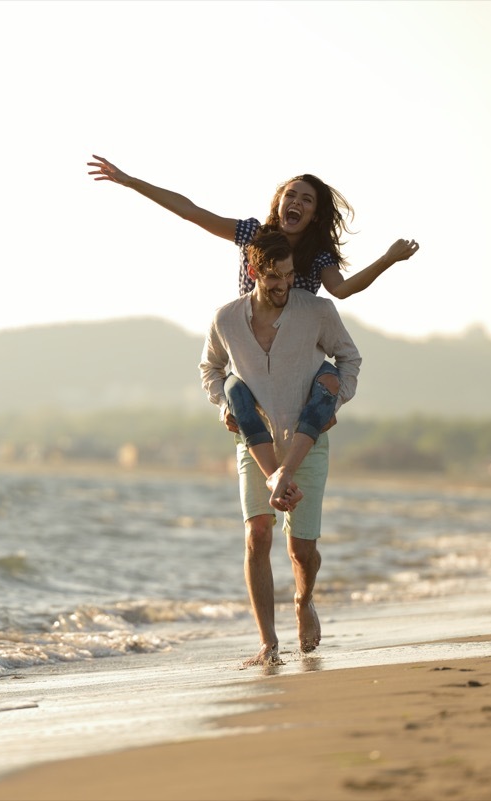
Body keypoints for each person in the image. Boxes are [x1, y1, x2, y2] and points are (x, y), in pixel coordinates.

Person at [88, 155, 414, 507]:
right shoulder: (253, 235)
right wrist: (130, 181)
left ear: (315, 215)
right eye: (291, 195)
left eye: (307, 200)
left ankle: (284, 474)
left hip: (297, 359)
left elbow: (343, 289)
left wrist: (387, 259)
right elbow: (192, 212)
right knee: (234, 392)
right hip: (253, 350)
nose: (296, 203)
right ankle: (278, 477)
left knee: (328, 382)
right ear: (279, 201)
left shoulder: (317, 256)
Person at [199, 226, 361, 666]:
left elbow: (349, 357)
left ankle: (304, 600)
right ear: (253, 271)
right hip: (255, 444)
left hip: (306, 444)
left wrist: (336, 398)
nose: (282, 286)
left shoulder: (317, 311)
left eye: (289, 276)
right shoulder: (227, 319)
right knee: (257, 534)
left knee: (300, 550)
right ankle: (269, 644)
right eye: (273, 277)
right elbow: (211, 369)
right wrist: (222, 404)